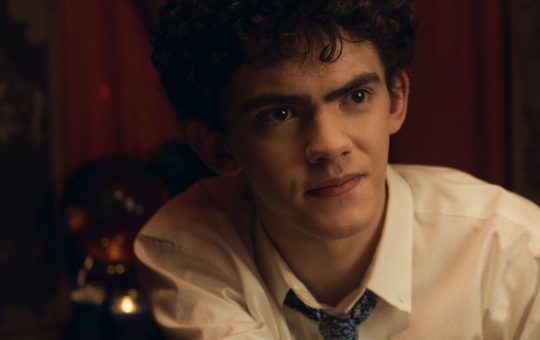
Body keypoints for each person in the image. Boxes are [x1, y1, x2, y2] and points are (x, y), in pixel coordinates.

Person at [134, 0, 540, 338]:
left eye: (356, 96)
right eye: (280, 114)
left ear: (396, 100)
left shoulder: (514, 251)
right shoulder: (186, 246)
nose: (329, 145)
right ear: (219, 148)